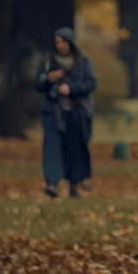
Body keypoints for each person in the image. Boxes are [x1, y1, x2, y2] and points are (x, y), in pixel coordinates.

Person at [34, 27, 97, 198]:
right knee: (52, 147)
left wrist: (71, 88)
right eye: (57, 42)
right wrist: (49, 79)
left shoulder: (82, 61)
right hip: (52, 111)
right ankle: (52, 183)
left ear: (70, 42)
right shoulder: (48, 61)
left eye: (63, 42)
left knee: (74, 149)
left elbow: (91, 83)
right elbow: (37, 83)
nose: (60, 46)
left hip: (75, 112)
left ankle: (74, 187)